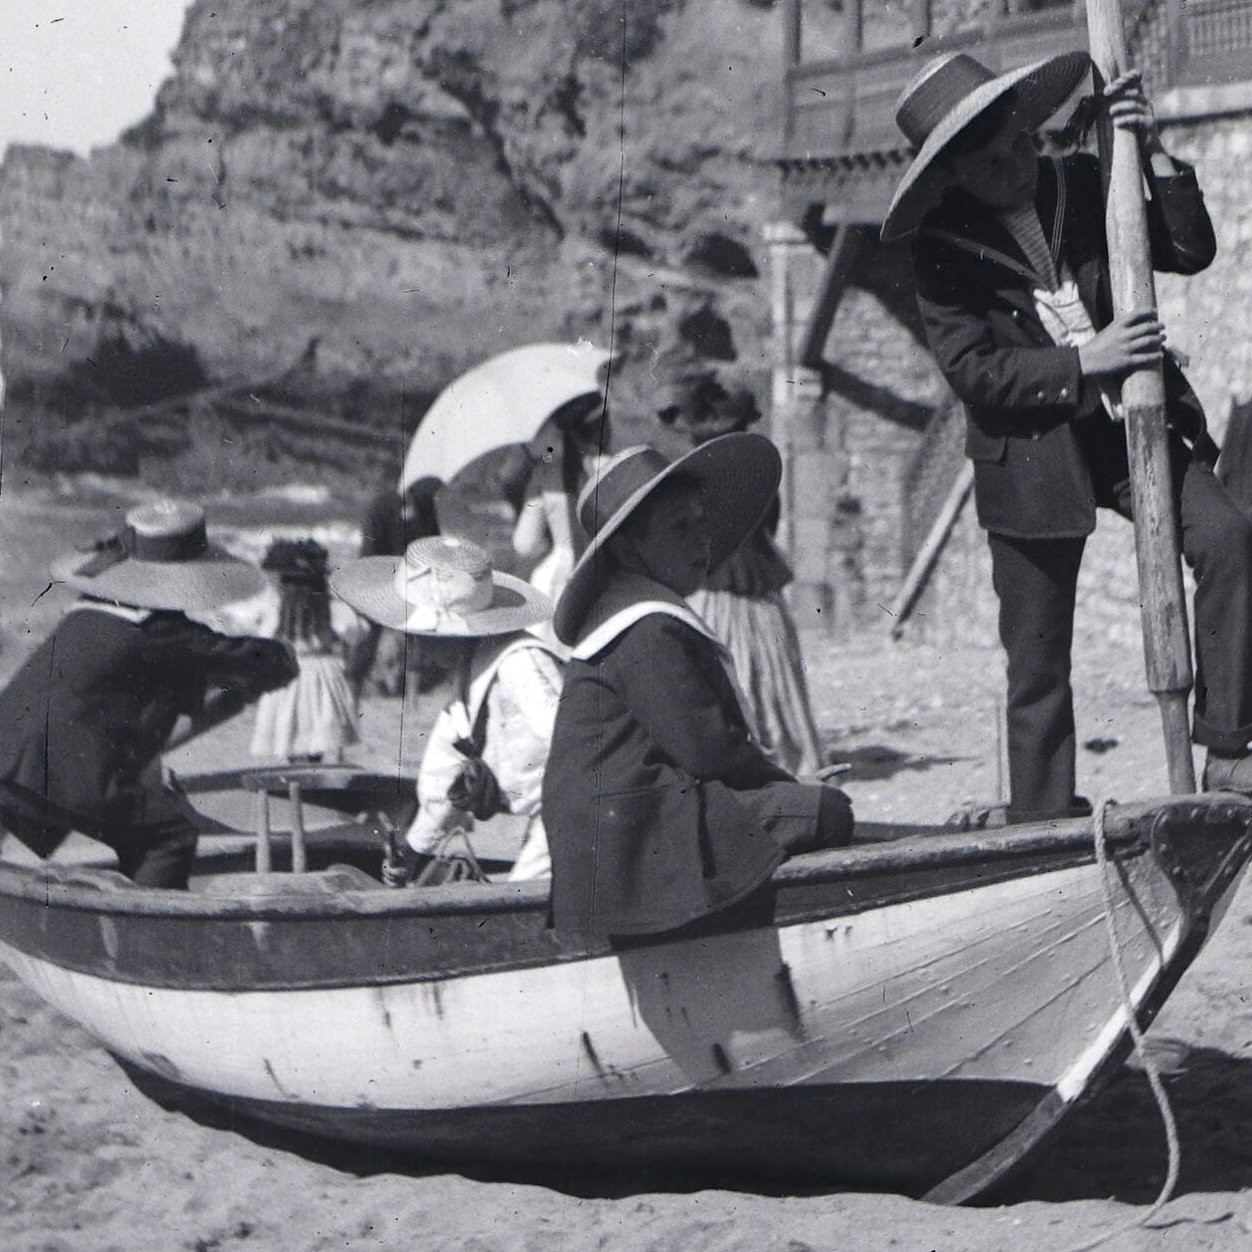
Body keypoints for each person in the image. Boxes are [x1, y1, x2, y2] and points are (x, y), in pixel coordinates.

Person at [883, 50, 1252, 816]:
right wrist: (1088, 359)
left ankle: (1226, 747)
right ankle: (1043, 819)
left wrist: (1147, 151)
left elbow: (1190, 250)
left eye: (1019, 143)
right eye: (991, 164)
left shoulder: (1087, 184)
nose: (1016, 166)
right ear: (953, 176)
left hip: (1132, 427)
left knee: (1228, 537)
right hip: (1031, 455)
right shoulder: (940, 254)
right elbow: (975, 374)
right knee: (1038, 657)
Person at [542, 437, 855, 945]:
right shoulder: (646, 628)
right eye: (680, 528)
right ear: (628, 548)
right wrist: (789, 787)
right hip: (633, 834)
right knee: (828, 811)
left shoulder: (635, 613)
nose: (702, 541)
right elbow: (708, 749)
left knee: (805, 808)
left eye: (701, 523)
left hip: (624, 826)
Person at [0, 500, 297, 888]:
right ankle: (148, 927)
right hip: (59, 766)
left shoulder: (88, 611)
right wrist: (283, 656)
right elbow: (240, 657)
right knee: (169, 838)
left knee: (44, 806)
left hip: (7, 750)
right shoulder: (159, 633)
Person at [332, 534, 562, 882]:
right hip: (549, 814)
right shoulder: (467, 678)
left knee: (520, 898)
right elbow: (444, 776)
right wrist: (411, 853)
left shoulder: (522, 663)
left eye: (413, 636)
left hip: (575, 807)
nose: (408, 645)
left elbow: (579, 741)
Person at [659, 366, 824, 776]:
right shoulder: (757, 473)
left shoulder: (687, 480)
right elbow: (768, 525)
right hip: (755, 596)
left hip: (709, 596)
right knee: (768, 690)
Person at [249, 538, 360, 764]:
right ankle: (313, 769)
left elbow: (263, 640)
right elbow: (355, 632)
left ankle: (296, 780)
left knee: (290, 733)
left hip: (287, 675)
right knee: (317, 738)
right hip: (322, 674)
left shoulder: (279, 610)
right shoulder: (331, 608)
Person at [511, 393, 608, 638]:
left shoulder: (545, 470)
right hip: (608, 575)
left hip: (563, 575)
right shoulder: (612, 465)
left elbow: (525, 543)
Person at [344, 475, 442, 701]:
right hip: (383, 577)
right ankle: (354, 692)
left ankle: (412, 696)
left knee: (417, 633)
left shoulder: (424, 504)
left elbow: (435, 545)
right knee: (368, 637)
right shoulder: (381, 506)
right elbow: (369, 553)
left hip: (412, 579)